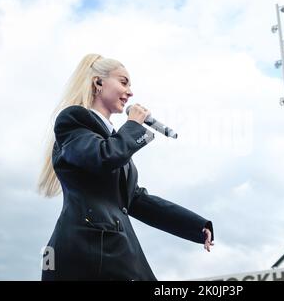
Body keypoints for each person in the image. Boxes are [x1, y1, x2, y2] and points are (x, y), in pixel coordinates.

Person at [38, 54, 214, 281]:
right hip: (88, 250)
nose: (130, 92)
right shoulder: (74, 121)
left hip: (117, 250)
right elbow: (103, 157)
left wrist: (195, 226)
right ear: (98, 82)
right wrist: (132, 125)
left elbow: (136, 200)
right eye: (123, 82)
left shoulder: (115, 140)